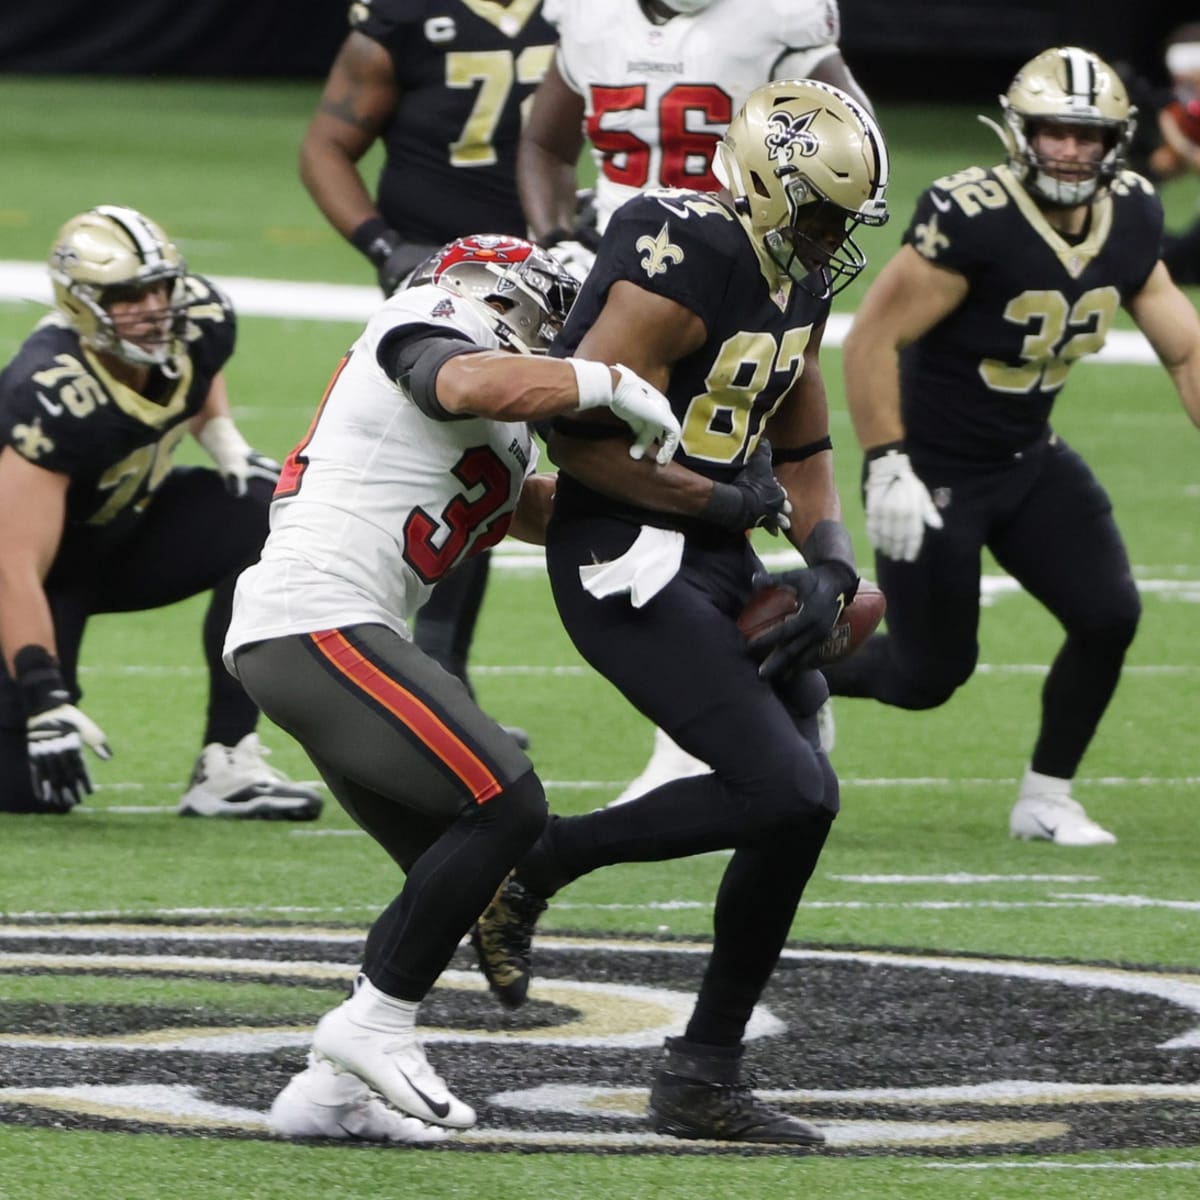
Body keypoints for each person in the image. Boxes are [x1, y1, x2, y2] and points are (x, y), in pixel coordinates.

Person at [472, 81, 890, 1144]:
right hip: (622, 548)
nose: (832, 238)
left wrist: (831, 561)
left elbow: (799, 438)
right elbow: (583, 441)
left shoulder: (796, 272)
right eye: (820, 213)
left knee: (802, 808)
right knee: (787, 791)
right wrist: (719, 499)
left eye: (846, 219)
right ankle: (544, 861)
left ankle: (703, 1072)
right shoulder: (677, 249)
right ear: (759, 183)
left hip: (715, 544)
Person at [222, 235, 686, 1140]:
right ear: (504, 291)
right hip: (313, 617)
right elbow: (462, 384)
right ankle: (373, 1028)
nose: (567, 334)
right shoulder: (426, 321)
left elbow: (523, 505)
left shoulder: (507, 414)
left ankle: (328, 1090)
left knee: (456, 865)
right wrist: (613, 388)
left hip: (328, 635)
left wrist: (688, 512)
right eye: (557, 310)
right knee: (508, 803)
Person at [821, 47, 1200, 846]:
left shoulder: (1130, 210)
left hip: (1028, 457)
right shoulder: (974, 214)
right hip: (932, 471)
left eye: (1086, 134)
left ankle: (1045, 798)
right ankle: (789, 672)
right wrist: (889, 463)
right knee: (927, 678)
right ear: (1019, 131)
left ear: (1116, 141)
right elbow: (871, 340)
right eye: (1053, 131)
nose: (1068, 149)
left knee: (1108, 615)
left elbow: (1184, 346)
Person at [519, 0, 872, 802]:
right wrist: (552, 235)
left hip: (749, 256)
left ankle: (715, 726)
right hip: (640, 265)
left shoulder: (775, 22)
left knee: (713, 459)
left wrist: (834, 562)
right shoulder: (589, 16)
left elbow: (846, 132)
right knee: (514, 458)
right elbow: (545, 140)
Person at [0, 205, 323, 820]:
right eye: (128, 296)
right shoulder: (51, 390)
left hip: (123, 532)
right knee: (26, 794)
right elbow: (12, 564)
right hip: (39, 574)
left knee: (261, 509)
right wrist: (43, 696)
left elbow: (197, 369)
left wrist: (221, 433)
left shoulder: (197, 318)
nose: (154, 308)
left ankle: (227, 760)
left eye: (161, 287)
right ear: (81, 304)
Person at [299, 0, 557, 748]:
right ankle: (423, 671)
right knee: (456, 451)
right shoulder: (406, 15)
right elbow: (325, 145)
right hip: (438, 284)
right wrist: (383, 247)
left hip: (549, 283)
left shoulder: (585, 16)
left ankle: (441, 673)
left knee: (510, 465)